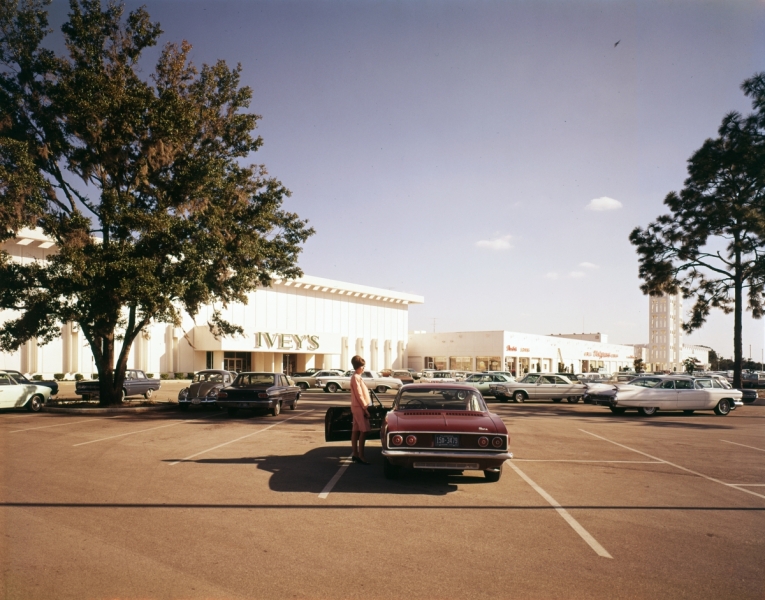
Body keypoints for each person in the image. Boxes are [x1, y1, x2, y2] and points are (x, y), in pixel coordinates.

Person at [349, 355, 371, 464]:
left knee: (356, 430)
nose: (363, 368)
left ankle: (356, 454)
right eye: (362, 366)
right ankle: (361, 456)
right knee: (364, 430)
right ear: (358, 367)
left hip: (357, 406)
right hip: (359, 407)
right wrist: (365, 408)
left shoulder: (356, 376)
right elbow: (359, 394)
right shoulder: (356, 377)